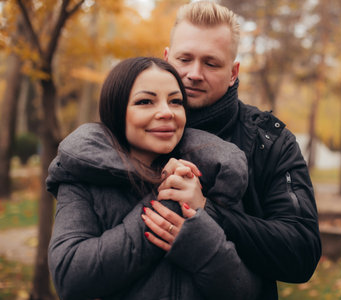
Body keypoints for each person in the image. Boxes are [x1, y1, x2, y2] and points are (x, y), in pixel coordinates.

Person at [46, 57, 261, 300]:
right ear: (116, 110)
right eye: (145, 101)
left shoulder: (210, 176)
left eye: (175, 101)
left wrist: (201, 243)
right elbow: (69, 277)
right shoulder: (82, 179)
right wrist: (168, 200)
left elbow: (249, 291)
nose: (166, 112)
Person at [157, 2, 322, 299]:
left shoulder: (271, 141)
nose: (194, 73)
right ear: (166, 59)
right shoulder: (130, 128)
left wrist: (208, 211)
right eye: (185, 59)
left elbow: (302, 251)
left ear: (233, 72)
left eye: (211, 63)